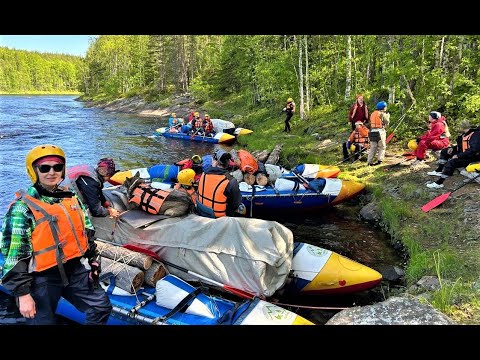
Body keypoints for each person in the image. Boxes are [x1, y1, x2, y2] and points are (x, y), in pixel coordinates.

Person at [0, 144, 112, 325]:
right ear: (34, 170)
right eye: (45, 168)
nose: (52, 172)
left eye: (57, 167)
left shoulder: (71, 198)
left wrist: (93, 259)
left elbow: (86, 230)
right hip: (41, 278)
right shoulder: (22, 208)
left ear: (62, 171)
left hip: (74, 270)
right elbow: (15, 254)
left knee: (101, 307)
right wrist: (23, 294)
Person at [426, 120, 480, 188]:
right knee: (444, 151)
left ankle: (439, 183)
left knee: (452, 162)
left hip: (472, 157)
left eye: (459, 127)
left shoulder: (475, 135)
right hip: (463, 153)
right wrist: (453, 148)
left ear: (462, 127)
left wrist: (458, 155)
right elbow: (461, 146)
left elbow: (474, 150)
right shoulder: (464, 134)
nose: (458, 129)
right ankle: (439, 170)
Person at [196, 149, 246, 218]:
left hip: (201, 212)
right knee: (241, 208)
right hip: (218, 219)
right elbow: (236, 204)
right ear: (228, 163)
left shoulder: (203, 174)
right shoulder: (231, 181)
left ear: (215, 162)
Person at [367, 101, 390, 166]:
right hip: (380, 131)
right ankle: (380, 160)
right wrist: (388, 116)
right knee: (382, 147)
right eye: (385, 107)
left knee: (373, 147)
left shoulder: (373, 113)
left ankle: (369, 162)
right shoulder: (382, 114)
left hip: (372, 131)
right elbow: (387, 123)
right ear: (383, 107)